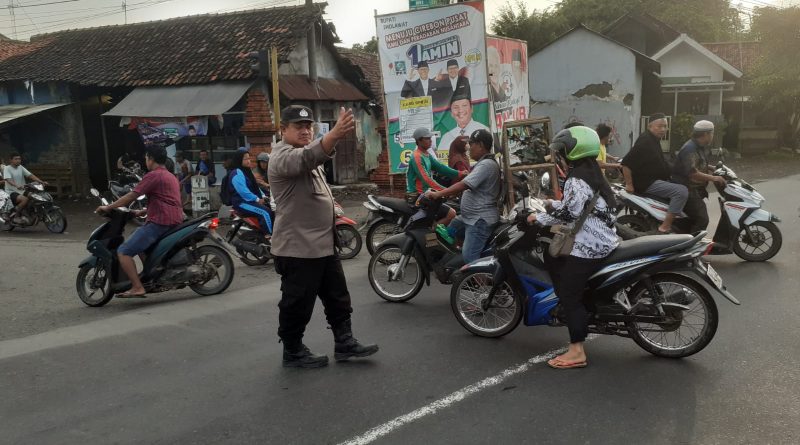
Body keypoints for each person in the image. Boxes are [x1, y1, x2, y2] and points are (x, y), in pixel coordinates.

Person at [268, 105, 378, 368]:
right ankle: (293, 351)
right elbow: (307, 158)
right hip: (298, 248)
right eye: (298, 126)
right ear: (283, 130)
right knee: (297, 304)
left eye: (308, 126)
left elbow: (314, 171)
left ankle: (345, 342)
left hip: (324, 244)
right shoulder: (281, 156)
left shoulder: (307, 155)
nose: (305, 131)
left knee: (338, 297)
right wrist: (336, 134)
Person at [526, 126, 619, 370]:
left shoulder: (576, 178)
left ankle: (577, 351)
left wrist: (539, 218)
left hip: (590, 246)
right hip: (605, 240)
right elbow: (580, 205)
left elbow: (570, 214)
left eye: (562, 151)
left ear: (573, 151)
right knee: (559, 264)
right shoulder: (592, 172)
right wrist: (551, 203)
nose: (559, 156)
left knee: (568, 293)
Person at [96, 146, 184, 298]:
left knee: (123, 251)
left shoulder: (153, 175)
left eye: (146, 158)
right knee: (138, 238)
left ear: (151, 159)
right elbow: (167, 200)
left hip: (160, 223)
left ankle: (137, 287)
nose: (145, 161)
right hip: (174, 220)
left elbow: (132, 196)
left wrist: (109, 207)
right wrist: (143, 211)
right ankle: (152, 274)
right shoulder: (170, 176)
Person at [426, 129, 501, 263]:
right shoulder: (482, 162)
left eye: (471, 144)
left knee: (469, 256)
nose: (468, 148)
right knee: (451, 228)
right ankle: (455, 262)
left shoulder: (486, 164)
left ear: (480, 145)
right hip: (470, 217)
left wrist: (439, 193)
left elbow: (463, 184)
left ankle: (478, 274)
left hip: (479, 219)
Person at [621, 113, 688, 234]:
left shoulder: (653, 140)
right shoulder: (646, 141)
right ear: (650, 126)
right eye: (659, 126)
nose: (663, 129)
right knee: (681, 191)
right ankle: (665, 227)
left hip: (653, 180)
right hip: (646, 183)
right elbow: (626, 163)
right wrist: (629, 184)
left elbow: (661, 162)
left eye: (665, 126)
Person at [672, 120, 726, 233]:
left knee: (693, 219)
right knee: (703, 220)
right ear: (706, 134)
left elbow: (698, 163)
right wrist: (714, 178)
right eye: (712, 133)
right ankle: (692, 242)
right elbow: (693, 173)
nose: (712, 136)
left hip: (694, 188)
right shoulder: (690, 148)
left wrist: (711, 168)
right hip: (687, 188)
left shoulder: (698, 146)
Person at [405, 127, 464, 226]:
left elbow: (440, 168)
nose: (431, 140)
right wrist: (446, 191)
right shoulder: (417, 157)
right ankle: (430, 232)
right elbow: (426, 179)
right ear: (419, 140)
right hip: (418, 196)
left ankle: (432, 230)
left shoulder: (426, 154)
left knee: (451, 212)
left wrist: (459, 173)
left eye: (430, 138)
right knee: (451, 213)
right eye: (427, 138)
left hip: (427, 193)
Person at [227, 151, 273, 234]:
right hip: (242, 202)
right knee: (265, 213)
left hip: (250, 201)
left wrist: (263, 196)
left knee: (272, 208)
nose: (248, 161)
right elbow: (243, 191)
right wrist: (257, 199)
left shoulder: (247, 171)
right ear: (239, 160)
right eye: (245, 159)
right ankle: (269, 236)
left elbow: (255, 187)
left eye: (249, 158)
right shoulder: (236, 173)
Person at [2, 152, 47, 221]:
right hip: (11, 192)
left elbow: (30, 175)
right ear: (11, 160)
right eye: (16, 159)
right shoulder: (7, 168)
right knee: (25, 199)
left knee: (35, 196)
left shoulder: (20, 167)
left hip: (21, 190)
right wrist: (16, 185)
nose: (18, 160)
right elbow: (8, 179)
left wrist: (41, 181)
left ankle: (28, 212)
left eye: (19, 159)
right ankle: (16, 215)